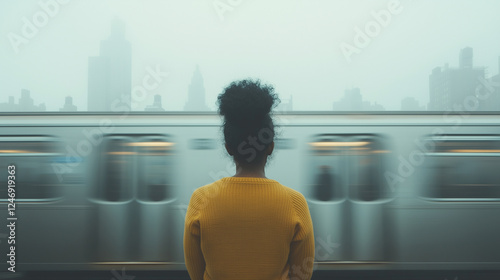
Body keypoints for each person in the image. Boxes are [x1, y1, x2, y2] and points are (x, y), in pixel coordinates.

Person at [184, 80, 315, 280]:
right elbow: (302, 274)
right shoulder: (295, 203)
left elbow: (196, 272)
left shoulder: (201, 199)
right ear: (270, 147)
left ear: (228, 148)